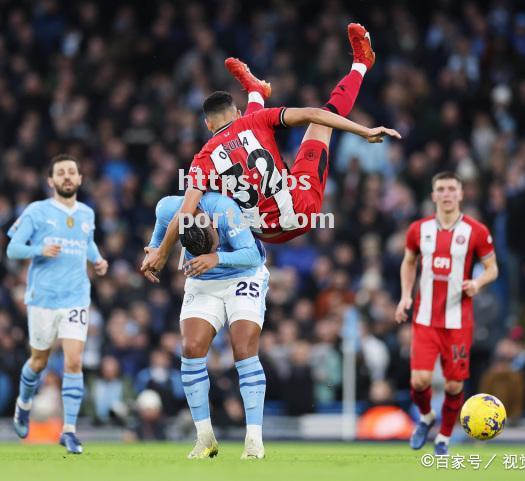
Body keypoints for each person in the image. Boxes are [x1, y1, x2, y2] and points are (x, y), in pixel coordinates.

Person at [141, 24, 400, 281]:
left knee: (210, 192)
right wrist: (363, 131)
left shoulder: (202, 159)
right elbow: (313, 114)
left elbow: (185, 213)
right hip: (301, 208)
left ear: (208, 125)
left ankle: (257, 91)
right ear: (239, 113)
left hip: (263, 232)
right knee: (324, 118)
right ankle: (361, 63)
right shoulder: (255, 121)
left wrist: (162, 253)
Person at [147, 192, 268, 459]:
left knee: (244, 347)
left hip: (244, 274)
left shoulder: (225, 210)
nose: (213, 246)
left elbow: (251, 254)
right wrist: (154, 250)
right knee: (190, 347)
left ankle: (254, 440)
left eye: (212, 243)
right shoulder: (168, 208)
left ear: (211, 224)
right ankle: (204, 438)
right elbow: (159, 236)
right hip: (202, 277)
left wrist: (217, 257)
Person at [6, 154, 108, 454]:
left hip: (76, 297)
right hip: (43, 299)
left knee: (74, 361)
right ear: (50, 180)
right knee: (38, 362)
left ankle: (70, 430)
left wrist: (98, 259)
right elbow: (12, 248)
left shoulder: (88, 213)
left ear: (79, 179)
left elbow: (86, 242)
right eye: (60, 173)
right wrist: (39, 249)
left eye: (71, 172)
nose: (66, 177)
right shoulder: (37, 212)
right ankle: (23, 403)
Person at [394, 171, 499, 455]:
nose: (447, 193)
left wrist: (477, 282)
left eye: (452, 188)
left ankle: (443, 437)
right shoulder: (419, 229)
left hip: (458, 320)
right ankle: (427, 417)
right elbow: (408, 262)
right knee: (419, 381)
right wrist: (405, 296)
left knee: (453, 383)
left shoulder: (476, 231)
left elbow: (493, 268)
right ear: (433, 195)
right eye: (441, 189)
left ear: (461, 194)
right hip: (425, 317)